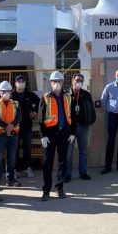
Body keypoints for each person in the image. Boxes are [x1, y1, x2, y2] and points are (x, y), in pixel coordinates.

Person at [39, 71, 75, 201]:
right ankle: (46, 190)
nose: (57, 83)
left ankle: (59, 188)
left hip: (64, 133)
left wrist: (72, 132)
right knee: (47, 162)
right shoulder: (45, 97)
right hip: (50, 135)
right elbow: (40, 118)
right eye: (54, 81)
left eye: (59, 81)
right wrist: (43, 135)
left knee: (62, 162)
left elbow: (72, 116)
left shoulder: (68, 97)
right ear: (50, 83)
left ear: (63, 82)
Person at [62, 73, 96, 182]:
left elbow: (92, 110)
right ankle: (67, 175)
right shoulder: (65, 94)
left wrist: (90, 121)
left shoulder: (86, 94)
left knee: (83, 151)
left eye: (81, 80)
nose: (79, 82)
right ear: (72, 81)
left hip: (83, 126)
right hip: (69, 128)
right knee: (68, 152)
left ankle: (83, 173)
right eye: (77, 80)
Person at [0, 81, 22, 188]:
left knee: (12, 158)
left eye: (8, 91)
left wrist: (11, 126)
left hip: (13, 135)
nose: (6, 93)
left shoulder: (16, 103)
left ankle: (10, 180)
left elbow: (19, 117)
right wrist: (7, 127)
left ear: (11, 91)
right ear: (0, 92)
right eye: (3, 91)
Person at [11, 75, 40, 178]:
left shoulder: (30, 95)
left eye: (23, 81)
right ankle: (16, 169)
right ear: (15, 83)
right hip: (15, 126)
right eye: (19, 81)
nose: (21, 83)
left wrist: (35, 112)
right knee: (15, 148)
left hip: (27, 125)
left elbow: (39, 102)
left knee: (27, 148)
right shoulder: (11, 95)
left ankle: (28, 168)